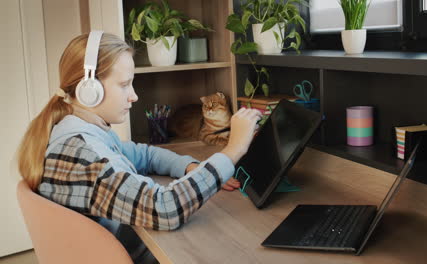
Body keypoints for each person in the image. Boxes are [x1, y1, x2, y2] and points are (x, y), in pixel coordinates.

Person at [16, 31, 262, 264]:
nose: (133, 96)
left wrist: (188, 166)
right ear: (89, 89)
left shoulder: (78, 131)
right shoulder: (84, 154)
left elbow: (143, 153)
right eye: (124, 85)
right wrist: (233, 150)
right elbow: (164, 209)